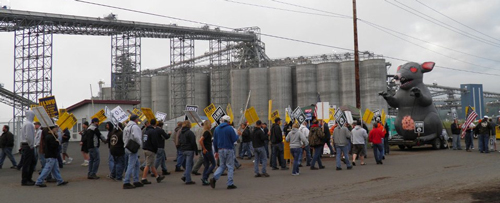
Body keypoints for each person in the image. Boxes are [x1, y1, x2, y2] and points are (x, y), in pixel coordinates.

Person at [210, 115, 239, 190]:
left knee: (222, 166)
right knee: (230, 166)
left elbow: (215, 141)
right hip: (229, 149)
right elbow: (234, 139)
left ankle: (214, 178)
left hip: (220, 149)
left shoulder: (217, 129)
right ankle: (230, 183)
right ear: (228, 121)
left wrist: (216, 151)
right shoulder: (230, 128)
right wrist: (238, 135)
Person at [123, 115, 144, 189]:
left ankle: (136, 180)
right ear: (135, 119)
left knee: (136, 164)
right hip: (133, 147)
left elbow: (124, 138)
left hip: (127, 146)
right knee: (131, 164)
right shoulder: (135, 127)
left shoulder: (126, 127)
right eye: (137, 119)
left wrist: (126, 145)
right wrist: (141, 144)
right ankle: (126, 182)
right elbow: (137, 137)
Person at [141, 119, 165, 184]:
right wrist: (155, 149)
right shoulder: (153, 131)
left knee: (152, 164)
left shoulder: (146, 130)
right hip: (150, 149)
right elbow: (154, 141)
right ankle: (143, 178)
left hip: (145, 148)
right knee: (148, 165)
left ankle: (157, 176)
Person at [20, 110, 36, 186]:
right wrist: (31, 145)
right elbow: (29, 136)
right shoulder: (29, 124)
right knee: (29, 163)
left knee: (29, 162)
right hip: (28, 145)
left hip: (25, 145)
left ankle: (27, 179)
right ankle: (26, 179)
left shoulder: (25, 124)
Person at [178, 120, 197, 185]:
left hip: (183, 149)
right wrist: (196, 150)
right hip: (189, 150)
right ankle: (188, 180)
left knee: (190, 164)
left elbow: (179, 140)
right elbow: (193, 142)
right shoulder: (190, 132)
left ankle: (185, 175)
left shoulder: (181, 133)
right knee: (189, 165)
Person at [200, 120, 216, 185]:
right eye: (210, 124)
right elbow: (200, 140)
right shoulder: (207, 132)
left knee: (207, 165)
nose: (211, 125)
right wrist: (204, 148)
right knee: (213, 164)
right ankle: (205, 176)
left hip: (205, 150)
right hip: (208, 150)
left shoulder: (205, 132)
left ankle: (204, 178)